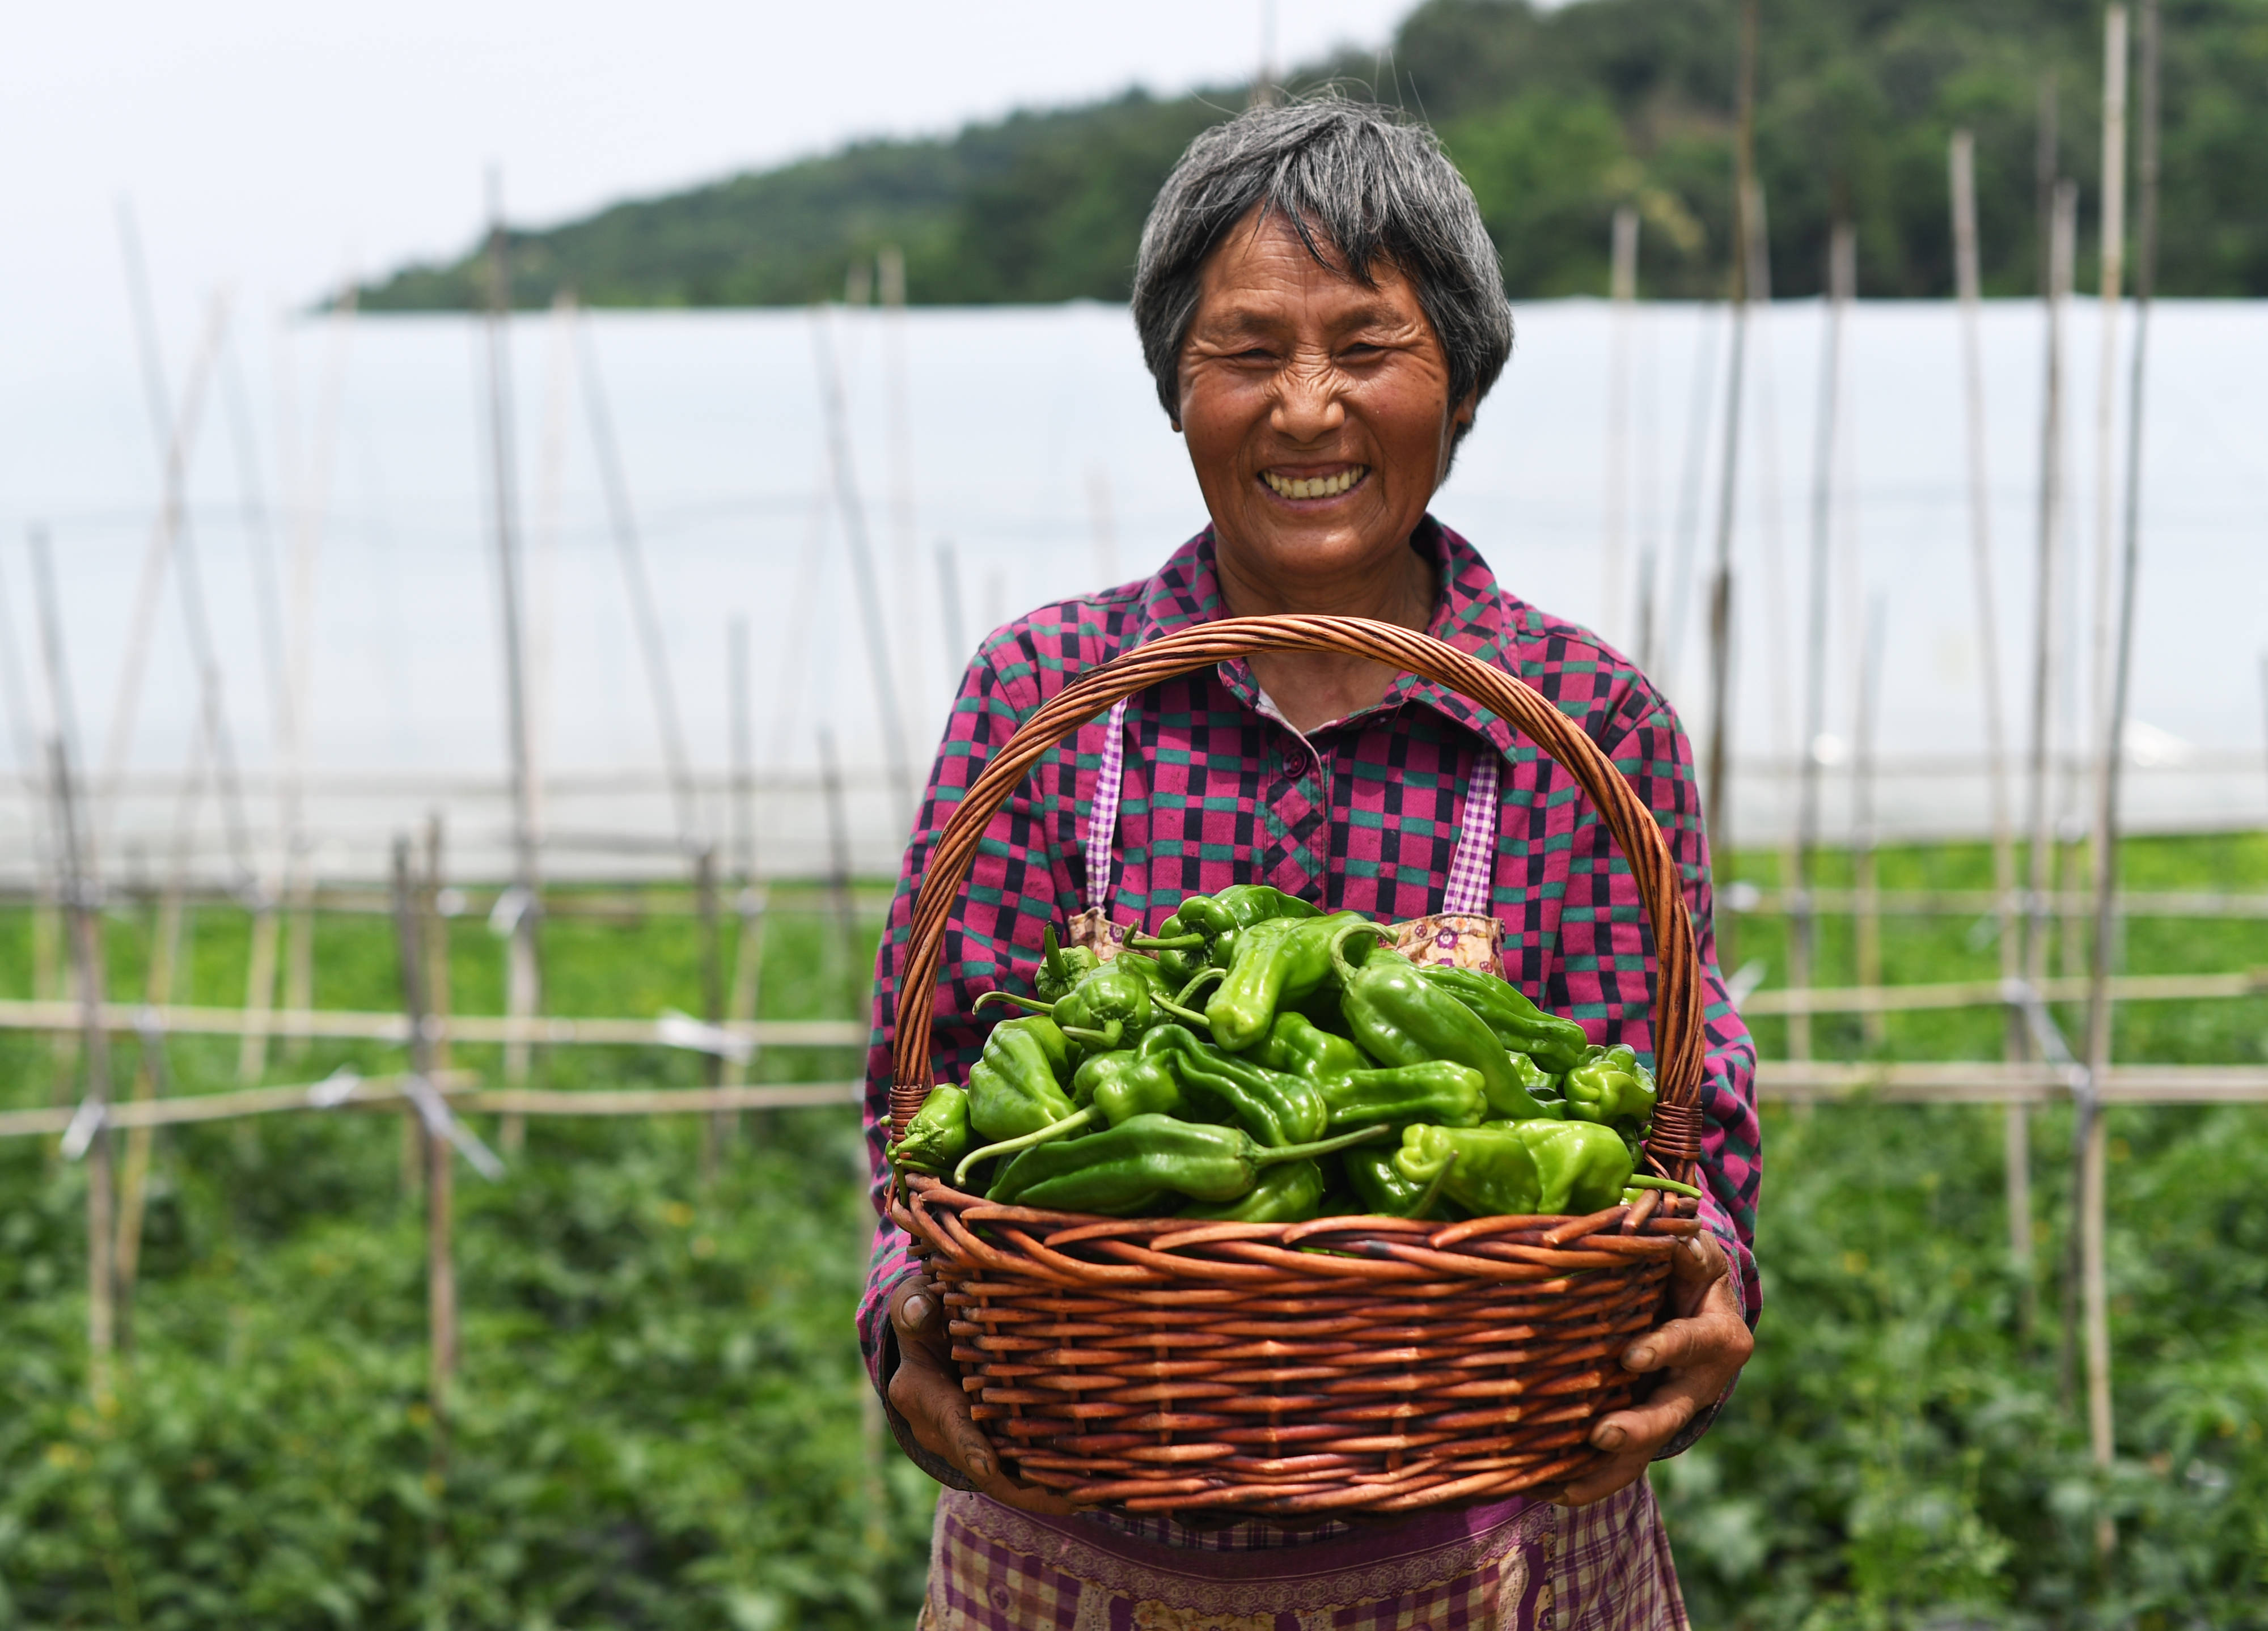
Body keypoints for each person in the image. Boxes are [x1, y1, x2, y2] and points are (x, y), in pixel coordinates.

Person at [857, 96, 1758, 1630]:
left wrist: (1708, 1278)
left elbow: (1678, 1111)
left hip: (1502, 1558)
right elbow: (923, 1085)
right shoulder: (1046, 694)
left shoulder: (1583, 719)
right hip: (1075, 1554)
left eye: (1367, 347)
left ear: (1461, 382)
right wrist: (907, 1308)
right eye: (1248, 352)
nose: (1307, 409)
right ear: (1175, 388)